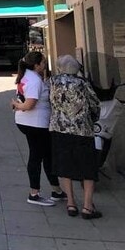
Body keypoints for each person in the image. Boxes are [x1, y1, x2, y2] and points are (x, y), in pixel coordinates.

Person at [49, 55, 102, 219]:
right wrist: (92, 118)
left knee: (65, 165)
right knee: (88, 167)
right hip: (82, 131)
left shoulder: (53, 82)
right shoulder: (83, 83)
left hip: (59, 129)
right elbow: (95, 104)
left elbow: (50, 101)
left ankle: (71, 203)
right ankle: (87, 206)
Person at [10, 51, 66, 206]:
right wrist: (17, 105)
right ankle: (34, 193)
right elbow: (29, 105)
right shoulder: (34, 80)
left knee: (46, 155)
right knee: (37, 156)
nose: (44, 65)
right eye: (43, 63)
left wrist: (17, 105)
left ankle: (57, 190)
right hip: (35, 123)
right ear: (36, 65)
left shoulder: (26, 76)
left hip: (29, 122)